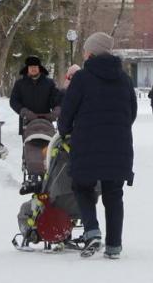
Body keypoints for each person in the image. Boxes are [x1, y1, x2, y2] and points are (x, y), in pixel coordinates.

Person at [58, 32, 136, 259]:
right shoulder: (124, 78)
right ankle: (114, 246)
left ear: (91, 52)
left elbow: (68, 111)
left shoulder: (82, 78)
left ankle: (92, 230)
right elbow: (131, 113)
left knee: (82, 187)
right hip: (119, 146)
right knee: (114, 193)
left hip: (86, 144)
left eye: (85, 51)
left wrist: (64, 131)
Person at [9, 56, 60, 134]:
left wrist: (56, 110)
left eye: (35, 66)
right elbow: (14, 101)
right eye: (31, 67)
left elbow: (56, 99)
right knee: (29, 145)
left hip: (46, 123)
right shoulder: (20, 84)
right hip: (26, 122)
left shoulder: (49, 83)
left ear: (39, 67)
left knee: (46, 146)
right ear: (27, 68)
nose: (33, 69)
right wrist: (23, 111)